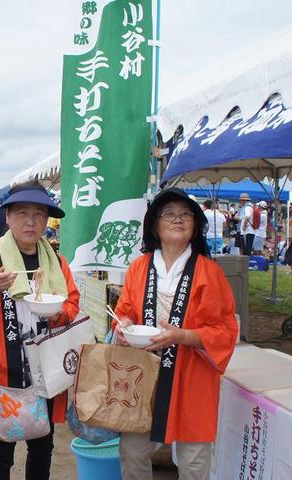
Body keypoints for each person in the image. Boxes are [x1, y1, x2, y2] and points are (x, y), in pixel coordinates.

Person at [0, 181, 80, 480]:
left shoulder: (57, 262)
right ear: (7, 217)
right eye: (22, 212)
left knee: (42, 448)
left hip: (45, 376)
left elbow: (72, 304)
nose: (31, 221)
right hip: (0, 375)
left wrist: (58, 313)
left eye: (39, 213)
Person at [113, 187, 238, 480]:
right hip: (143, 373)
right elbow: (125, 310)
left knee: (194, 462)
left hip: (192, 373)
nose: (177, 219)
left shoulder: (210, 272)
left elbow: (225, 330)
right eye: (168, 214)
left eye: (185, 214)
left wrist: (184, 336)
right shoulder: (138, 268)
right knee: (132, 453)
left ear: (195, 225)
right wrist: (123, 325)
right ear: (155, 224)